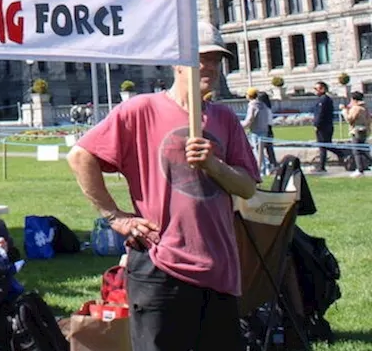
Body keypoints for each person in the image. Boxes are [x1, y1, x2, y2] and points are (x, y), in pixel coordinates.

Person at [67, 22, 258, 351]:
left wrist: (214, 165)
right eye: (201, 58)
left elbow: (247, 187)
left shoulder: (224, 119)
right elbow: (80, 156)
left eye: (216, 60)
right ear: (177, 62)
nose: (209, 67)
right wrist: (114, 216)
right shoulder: (141, 110)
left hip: (220, 266)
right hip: (160, 265)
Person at [242, 88, 272, 175]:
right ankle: (266, 168)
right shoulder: (263, 105)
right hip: (264, 130)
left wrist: (240, 125)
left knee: (257, 152)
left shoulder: (252, 105)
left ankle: (262, 170)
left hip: (256, 131)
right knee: (261, 151)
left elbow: (250, 119)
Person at [344, 90, 370, 177]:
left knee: (357, 151)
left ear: (354, 99)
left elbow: (350, 119)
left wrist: (344, 111)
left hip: (356, 131)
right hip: (364, 130)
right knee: (363, 150)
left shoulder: (356, 108)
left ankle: (360, 170)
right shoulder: (365, 107)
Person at [313, 81, 335, 172]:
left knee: (323, 146)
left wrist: (317, 125)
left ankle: (322, 167)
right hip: (327, 126)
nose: (315, 91)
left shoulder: (324, 99)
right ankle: (321, 165)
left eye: (316, 89)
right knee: (326, 145)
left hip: (323, 127)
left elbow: (320, 114)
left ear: (322, 89)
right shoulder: (325, 99)